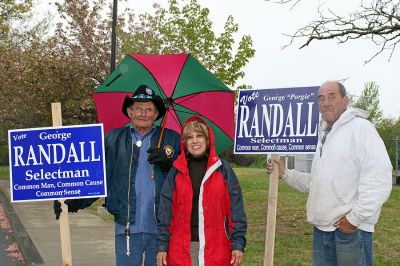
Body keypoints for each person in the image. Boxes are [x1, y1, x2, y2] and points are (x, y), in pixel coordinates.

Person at [267, 81, 392, 266]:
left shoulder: (361, 128)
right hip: (322, 230)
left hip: (350, 232)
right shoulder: (324, 135)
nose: (326, 102)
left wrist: (354, 219)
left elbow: (379, 177)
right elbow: (316, 182)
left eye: (332, 97)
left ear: (345, 100)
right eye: (321, 98)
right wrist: (287, 174)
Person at [53, 84, 181, 266]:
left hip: (163, 230)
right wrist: (74, 202)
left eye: (148, 109)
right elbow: (97, 177)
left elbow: (186, 180)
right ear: (129, 112)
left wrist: (168, 165)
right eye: (137, 109)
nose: (142, 114)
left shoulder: (172, 139)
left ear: (156, 114)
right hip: (127, 226)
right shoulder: (113, 139)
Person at [156, 116, 247, 266]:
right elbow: (165, 212)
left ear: (207, 139)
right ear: (184, 142)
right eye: (189, 137)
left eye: (199, 136)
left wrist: (237, 243)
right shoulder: (176, 171)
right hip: (183, 249)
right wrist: (162, 246)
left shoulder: (222, 169)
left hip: (217, 247)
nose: (195, 141)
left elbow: (236, 210)